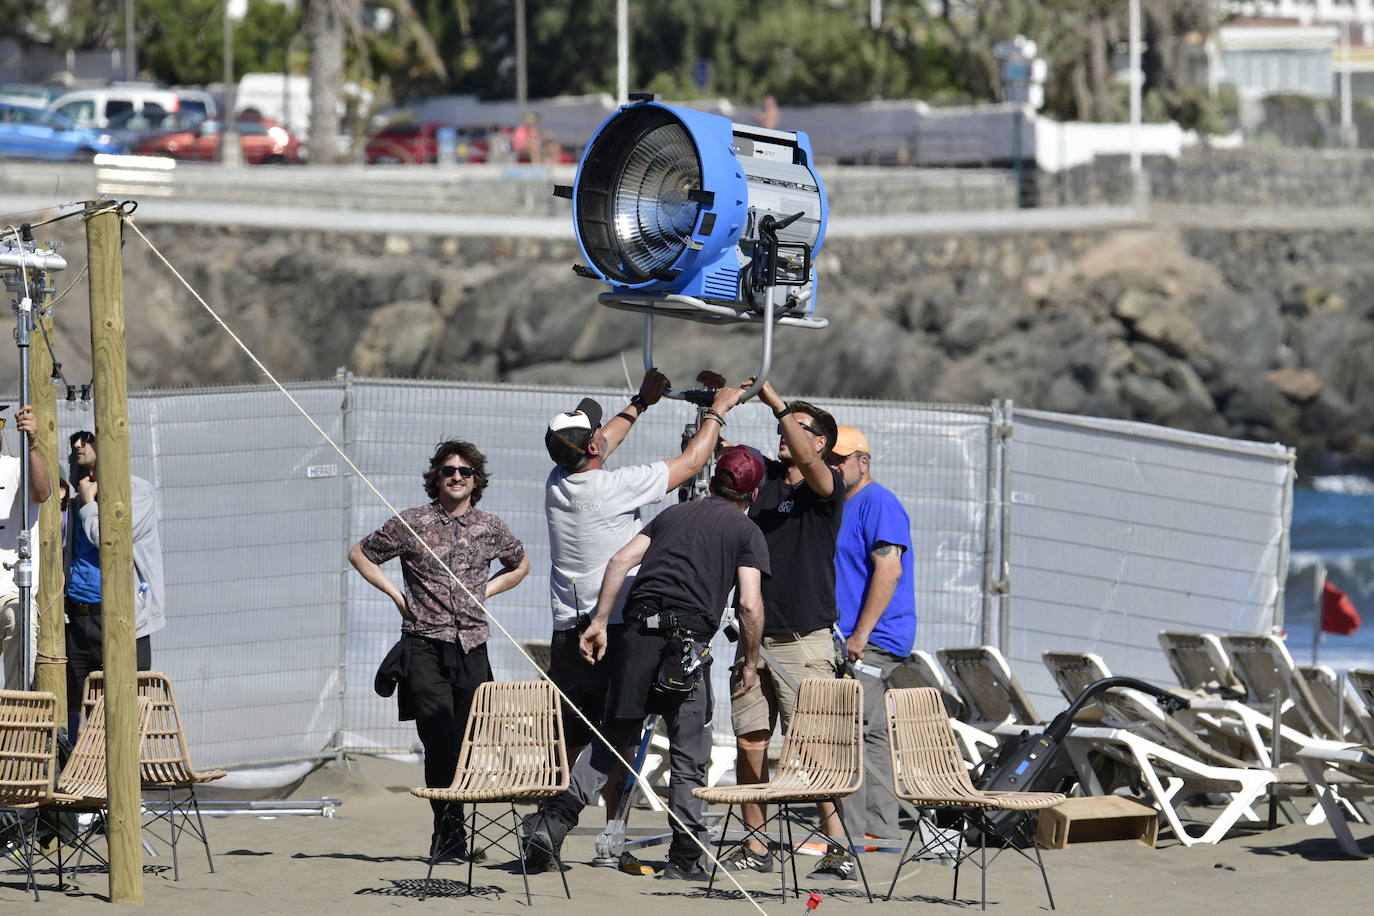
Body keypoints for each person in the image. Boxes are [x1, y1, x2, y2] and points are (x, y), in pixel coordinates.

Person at [526, 445, 769, 880]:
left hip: (636, 638)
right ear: (752, 496)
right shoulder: (744, 530)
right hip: (687, 648)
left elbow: (620, 559)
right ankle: (686, 858)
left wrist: (599, 621)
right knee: (689, 755)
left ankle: (551, 821)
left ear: (712, 481)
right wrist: (749, 663)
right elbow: (750, 606)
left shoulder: (673, 516)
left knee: (611, 741)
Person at [541, 370, 745, 824]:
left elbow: (602, 442)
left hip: (566, 624)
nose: (603, 435)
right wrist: (718, 410)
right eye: (596, 434)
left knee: (572, 733)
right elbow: (692, 463)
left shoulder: (557, 480)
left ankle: (546, 821)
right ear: (592, 448)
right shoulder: (611, 488)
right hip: (611, 624)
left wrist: (641, 402)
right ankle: (613, 829)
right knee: (621, 728)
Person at [349, 439, 530, 861]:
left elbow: (521, 563)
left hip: (472, 646)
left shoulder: (490, 526)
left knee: (467, 743)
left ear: (476, 480)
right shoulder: (412, 522)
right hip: (423, 645)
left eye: (465, 471)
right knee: (438, 739)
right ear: (436, 477)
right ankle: (446, 837)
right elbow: (360, 555)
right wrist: (398, 597)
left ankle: (456, 837)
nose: (456, 476)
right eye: (449, 470)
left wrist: (488, 590)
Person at [719, 379, 855, 879]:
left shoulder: (826, 486)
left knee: (812, 745)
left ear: (820, 443)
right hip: (753, 640)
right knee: (750, 740)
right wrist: (718, 407)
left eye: (799, 429)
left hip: (806, 639)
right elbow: (724, 469)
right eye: (784, 425)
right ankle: (756, 844)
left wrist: (779, 405)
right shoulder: (765, 482)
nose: (784, 434)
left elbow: (811, 463)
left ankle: (837, 845)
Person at [828, 425, 916, 850]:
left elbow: (890, 570)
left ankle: (852, 833)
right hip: (856, 636)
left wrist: (860, 635)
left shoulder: (879, 503)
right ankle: (880, 832)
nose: (834, 466)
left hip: (873, 638)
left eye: (841, 459)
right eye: (829, 458)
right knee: (870, 732)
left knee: (850, 728)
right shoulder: (839, 504)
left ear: (863, 462)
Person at [64, 429, 164, 731]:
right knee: (83, 712)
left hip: (122, 620)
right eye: (73, 442)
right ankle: (88, 774)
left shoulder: (136, 492)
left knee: (124, 712)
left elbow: (109, 539)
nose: (78, 445)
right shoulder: (79, 496)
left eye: (87, 437)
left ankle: (129, 777)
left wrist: (89, 504)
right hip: (79, 619)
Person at [0, 405, 52, 690]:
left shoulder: (16, 467)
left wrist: (33, 443)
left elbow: (42, 492)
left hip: (10, 592)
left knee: (19, 616)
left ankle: (14, 717)